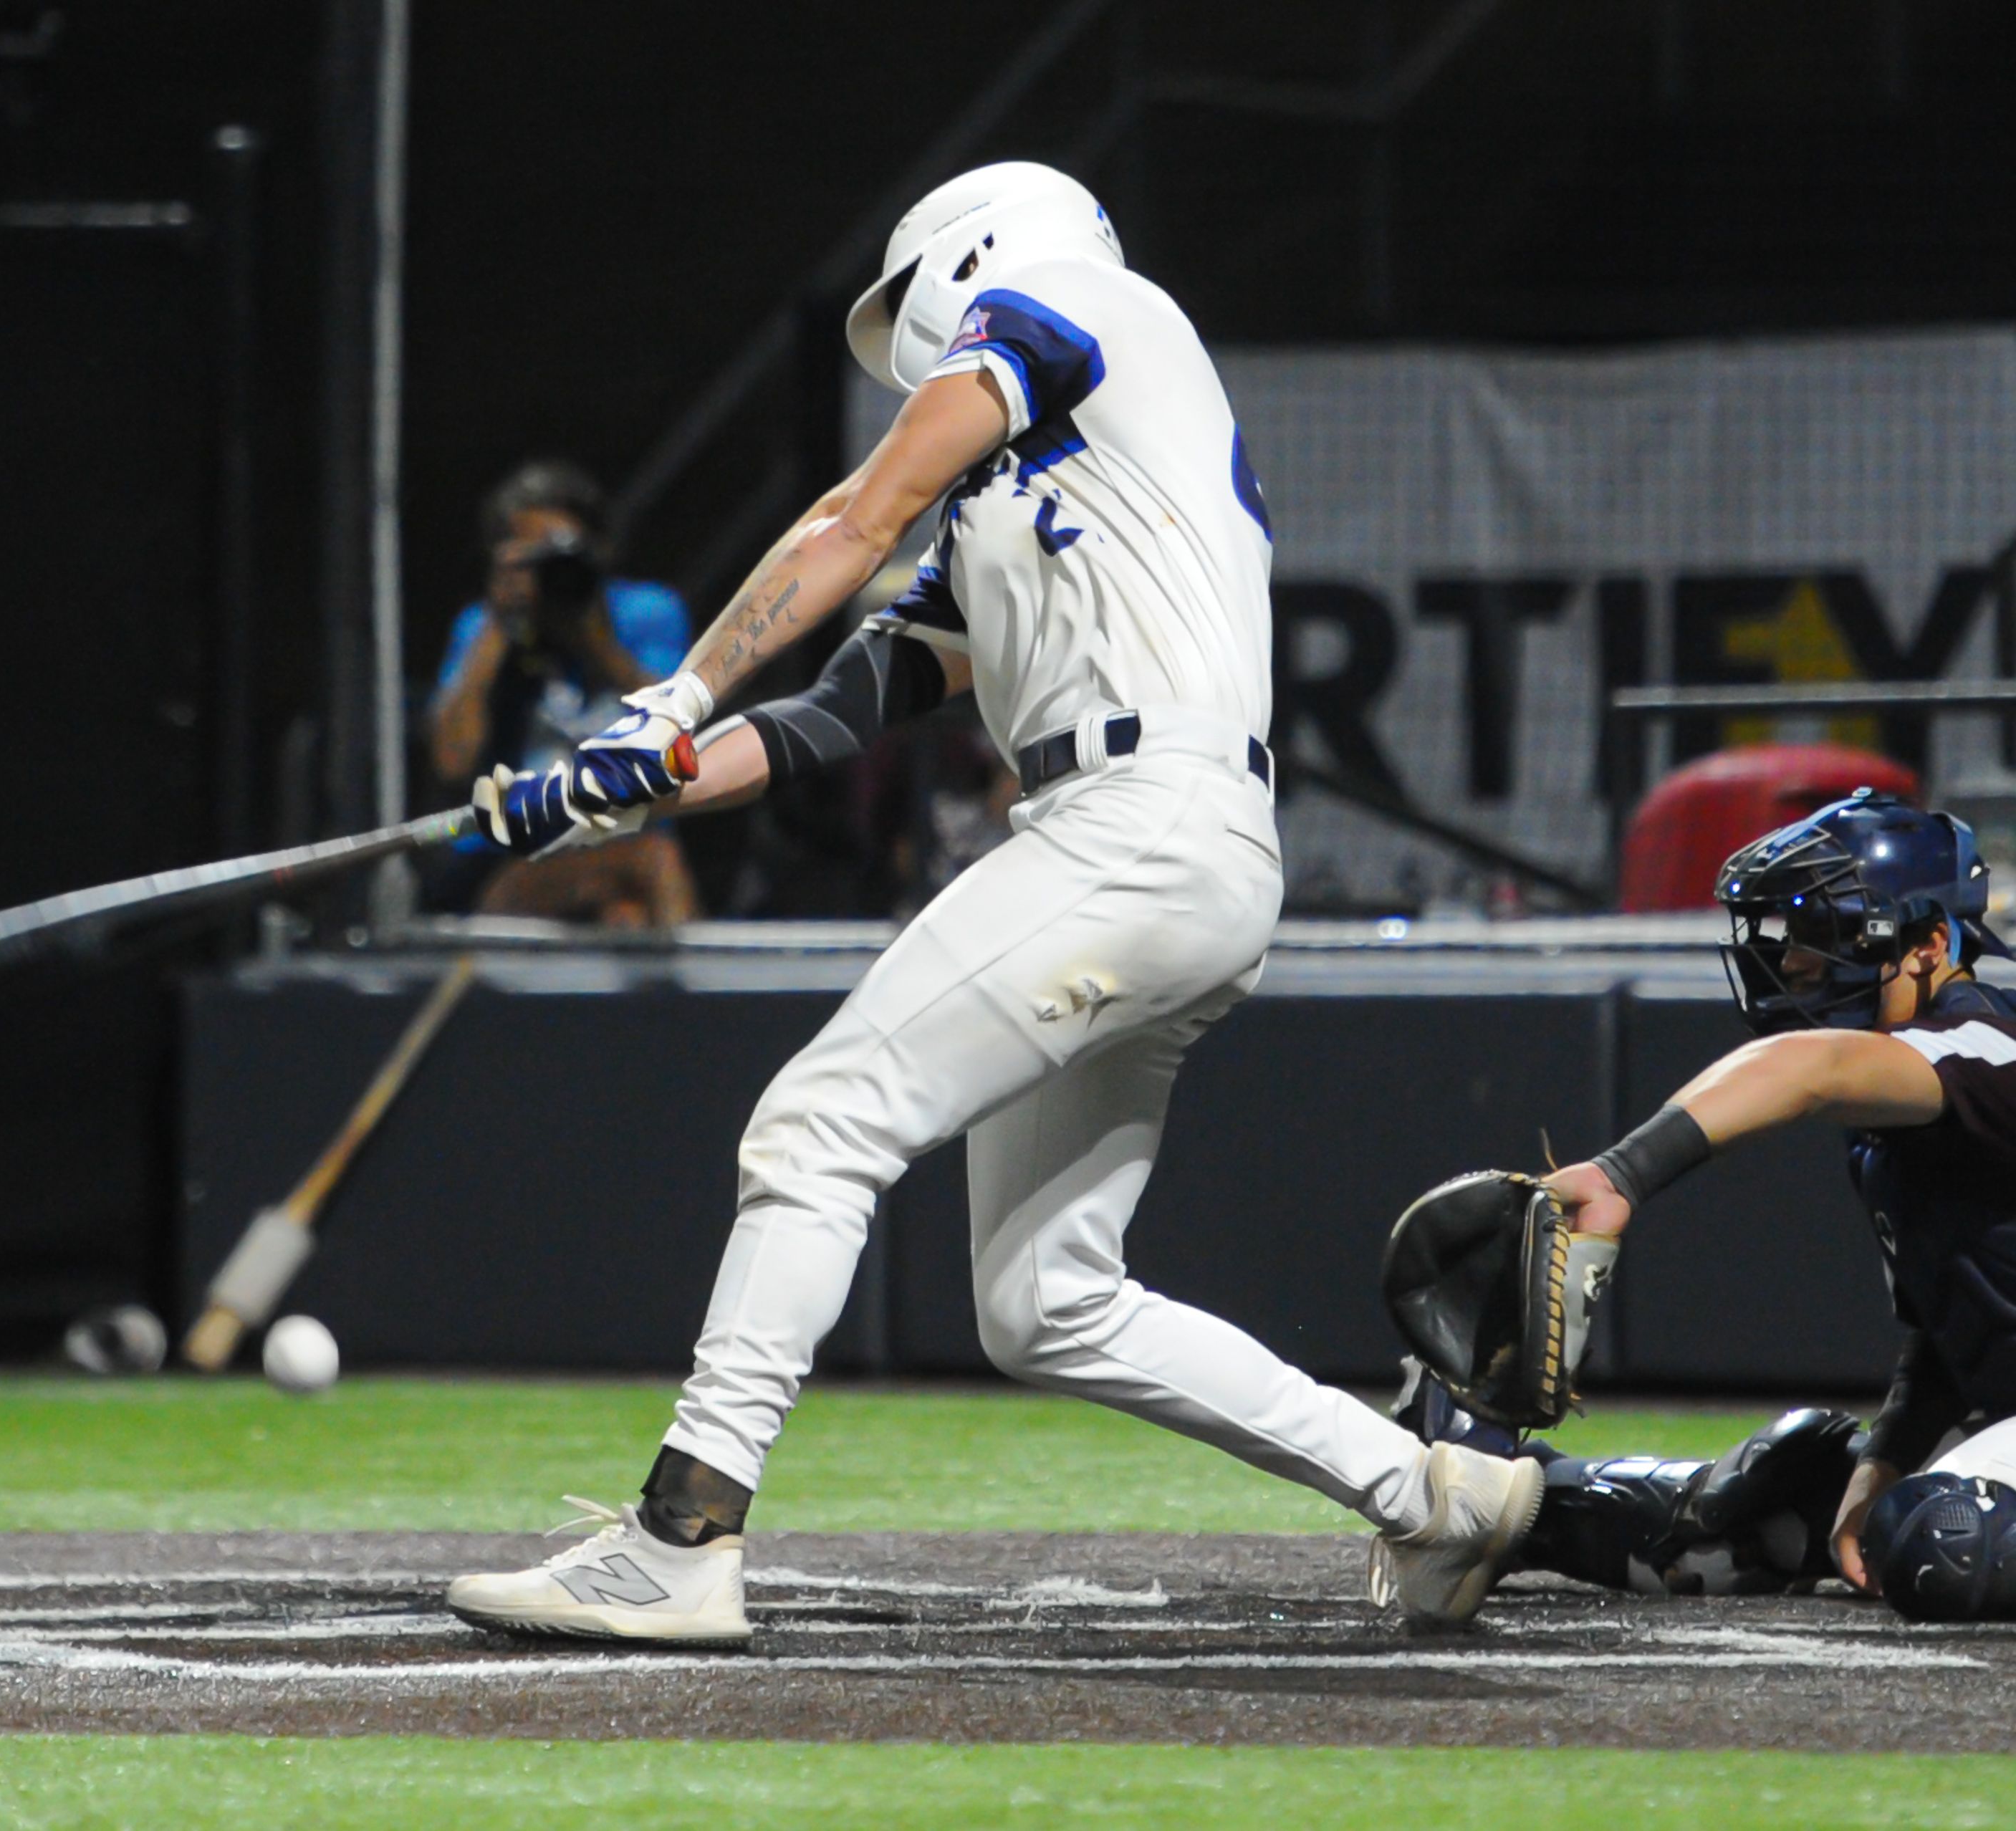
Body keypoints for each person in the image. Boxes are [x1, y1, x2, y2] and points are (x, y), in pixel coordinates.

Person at [440, 161, 1540, 1646]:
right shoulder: (1047, 483)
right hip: (1161, 846)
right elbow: (843, 709)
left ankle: (680, 1539)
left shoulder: (1081, 304)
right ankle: (1434, 1498)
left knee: (817, 1126)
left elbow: (854, 506)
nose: (915, 342)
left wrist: (677, 687)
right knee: (1049, 1301)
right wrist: (616, 779)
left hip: (1137, 826)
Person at [1413, 788, 2016, 1622]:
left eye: (1826, 935)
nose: (1797, 964)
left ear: (1929, 946)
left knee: (1948, 1540)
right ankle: (1519, 1501)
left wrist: (1623, 1173)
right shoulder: (1898, 1113)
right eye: (1791, 938)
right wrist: (1882, 1464)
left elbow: (1806, 1069)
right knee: (1770, 1500)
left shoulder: (1988, 1045)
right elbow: (1958, 1327)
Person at [424, 461, 700, 927]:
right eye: (534, 561)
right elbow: (452, 762)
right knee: (653, 865)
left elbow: (679, 737)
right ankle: (702, 998)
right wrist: (498, 630)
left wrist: (591, 638)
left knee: (626, 915)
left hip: (619, 839)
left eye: (562, 558)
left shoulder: (647, 613)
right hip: (508, 858)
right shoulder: (480, 631)